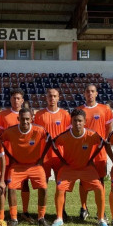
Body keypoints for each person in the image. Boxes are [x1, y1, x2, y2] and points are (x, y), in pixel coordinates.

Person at [51, 109, 109, 226]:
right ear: (71, 121)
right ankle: (59, 218)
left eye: (80, 121)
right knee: (60, 187)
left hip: (86, 167)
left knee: (99, 187)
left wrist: (92, 157)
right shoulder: (65, 136)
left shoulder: (91, 135)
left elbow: (101, 143)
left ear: (85, 122)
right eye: (75, 121)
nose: (77, 123)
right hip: (69, 168)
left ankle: (101, 219)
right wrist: (62, 160)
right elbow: (53, 144)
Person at [1, 108, 51, 226]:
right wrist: (10, 156)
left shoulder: (39, 130)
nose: (25, 121)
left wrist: (42, 157)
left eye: (27, 119)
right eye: (22, 119)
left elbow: (50, 140)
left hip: (35, 165)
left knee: (43, 187)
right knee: (11, 188)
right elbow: (0, 142)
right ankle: (14, 218)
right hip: (17, 166)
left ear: (32, 119)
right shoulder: (10, 131)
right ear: (18, 119)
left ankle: (41, 217)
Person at [0, 88, 33, 223]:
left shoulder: (28, 115)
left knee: (25, 183)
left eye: (18, 98)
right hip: (6, 156)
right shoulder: (3, 115)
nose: (16, 100)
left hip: (23, 157)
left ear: (22, 100)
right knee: (5, 184)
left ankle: (25, 212)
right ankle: (3, 213)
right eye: (13, 98)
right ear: (10, 100)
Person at [77, 84, 113, 221]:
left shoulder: (105, 109)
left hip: (100, 152)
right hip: (83, 152)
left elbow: (109, 127)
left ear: (96, 93)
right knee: (83, 180)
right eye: (87, 91)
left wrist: (106, 141)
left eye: (92, 91)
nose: (90, 94)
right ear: (84, 94)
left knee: (100, 181)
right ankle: (83, 207)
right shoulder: (79, 110)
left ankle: (101, 210)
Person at [34, 87, 70, 218]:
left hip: (60, 156)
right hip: (44, 156)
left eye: (55, 96)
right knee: (43, 184)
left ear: (59, 98)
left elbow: (69, 136)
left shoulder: (65, 115)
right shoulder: (39, 115)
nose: (52, 98)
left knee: (61, 185)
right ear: (46, 97)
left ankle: (61, 211)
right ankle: (41, 214)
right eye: (50, 96)